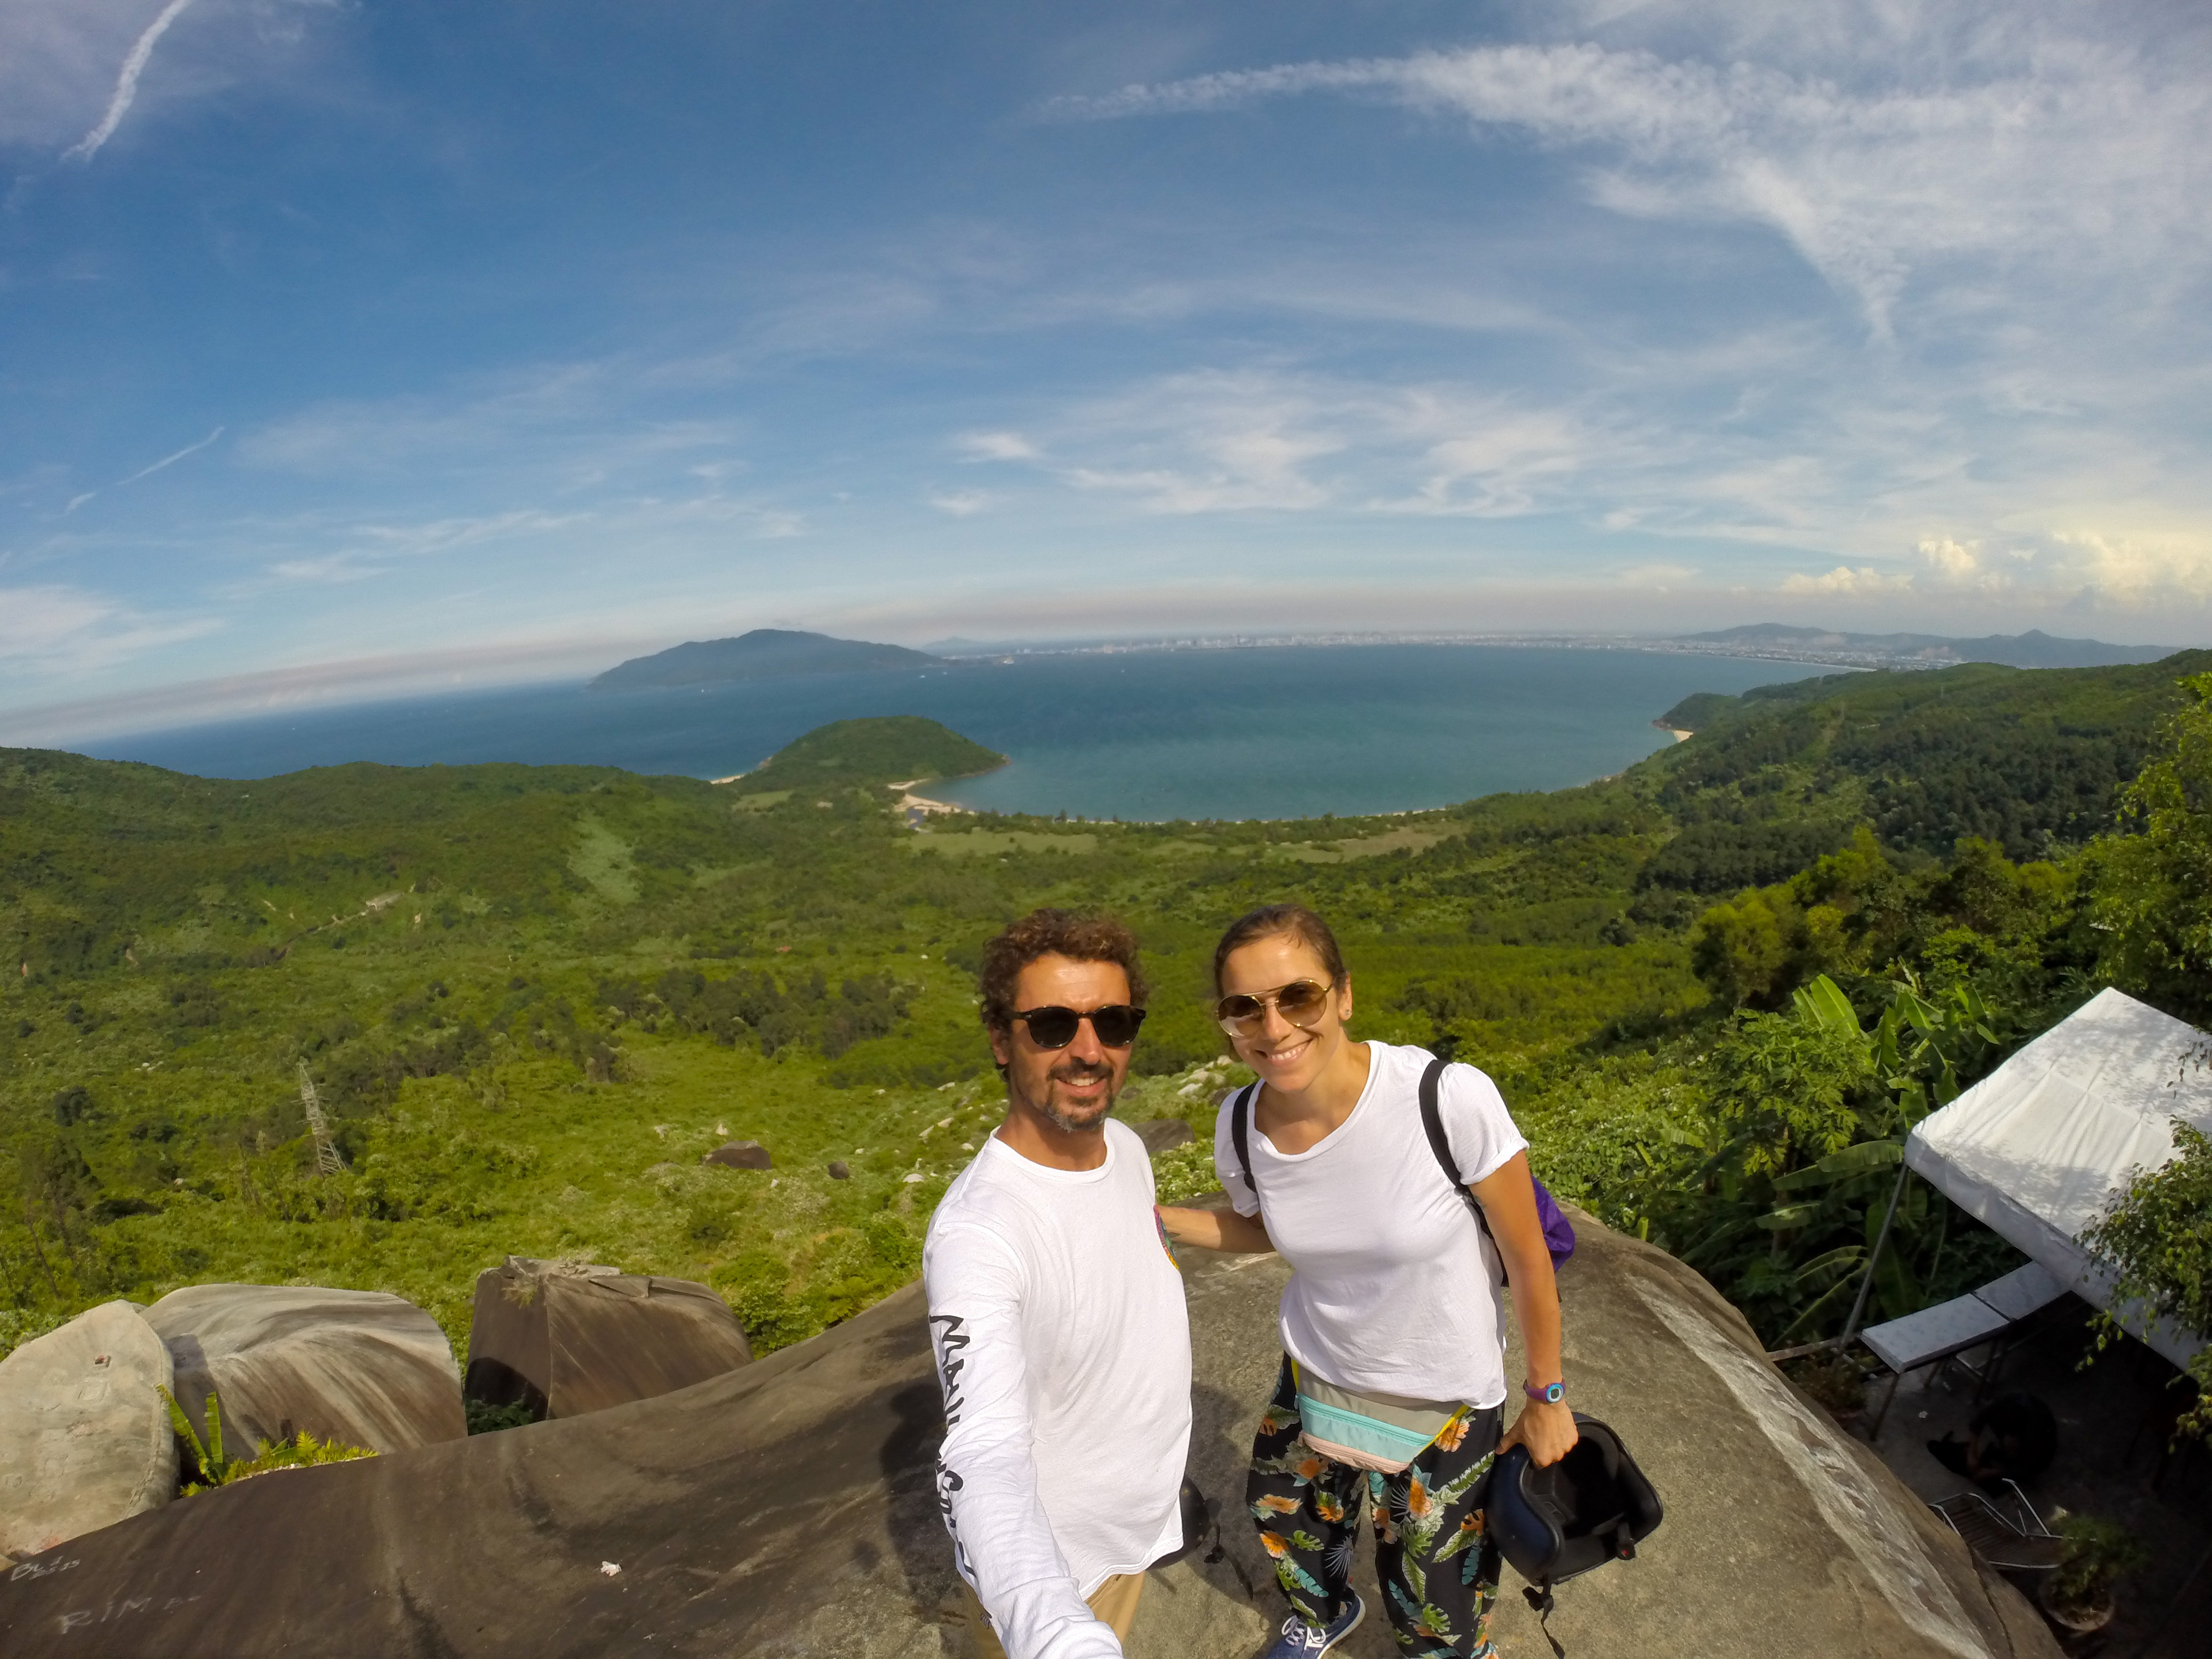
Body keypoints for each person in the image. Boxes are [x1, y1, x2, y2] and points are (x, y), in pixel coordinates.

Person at [1158, 904, 1575, 1659]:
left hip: (1442, 1393)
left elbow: (1526, 1256)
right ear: (1225, 1023)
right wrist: (1161, 1220)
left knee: (1432, 1585)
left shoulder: (1443, 1099)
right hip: (1319, 1366)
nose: (1274, 1026)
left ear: (1343, 995)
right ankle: (1324, 1616)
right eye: (1244, 1007)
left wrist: (1547, 1397)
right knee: (1287, 1519)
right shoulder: (1241, 1122)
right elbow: (1267, 1228)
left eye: (1299, 997)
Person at [924, 909, 1192, 1659]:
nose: (1087, 1051)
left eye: (1112, 1022)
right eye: (1050, 1026)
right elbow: (982, 1453)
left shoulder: (1126, 1147)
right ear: (1001, 1040)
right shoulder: (981, 1234)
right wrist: (1053, 1629)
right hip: (1059, 1571)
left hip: (1134, 1529)